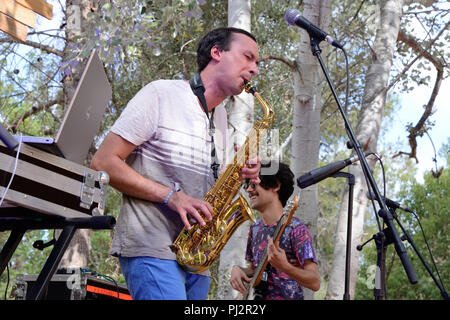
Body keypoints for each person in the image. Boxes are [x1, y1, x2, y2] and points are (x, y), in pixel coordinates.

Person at [90, 27, 262, 300]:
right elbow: (103, 162)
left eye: (257, 63)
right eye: (247, 57)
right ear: (217, 53)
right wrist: (172, 197)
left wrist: (239, 172)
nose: (254, 69)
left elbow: (211, 192)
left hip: (196, 257)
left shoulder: (220, 119)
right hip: (153, 246)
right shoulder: (161, 94)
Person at [230, 162, 321, 300]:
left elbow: (315, 282)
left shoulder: (296, 229)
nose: (248, 190)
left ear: (275, 185)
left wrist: (285, 267)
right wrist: (237, 270)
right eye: (247, 185)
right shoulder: (255, 229)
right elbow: (256, 270)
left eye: (254, 184)